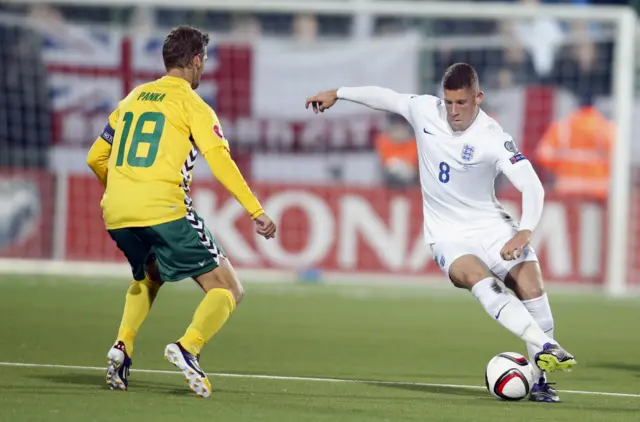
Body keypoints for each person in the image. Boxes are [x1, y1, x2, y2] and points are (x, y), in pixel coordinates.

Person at [305, 63, 576, 403]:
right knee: (479, 279)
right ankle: (546, 345)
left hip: (491, 225)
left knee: (532, 285)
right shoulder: (425, 111)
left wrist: (524, 231)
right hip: (446, 233)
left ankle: (539, 378)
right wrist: (338, 93)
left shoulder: (493, 138)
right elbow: (386, 98)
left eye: (461, 103)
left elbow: (532, 186)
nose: (453, 111)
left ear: (478, 98)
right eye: (448, 102)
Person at [86, 25, 276, 398]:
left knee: (149, 276)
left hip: (117, 211)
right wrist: (256, 210)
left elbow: (96, 157)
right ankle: (188, 348)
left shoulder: (133, 98)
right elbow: (220, 161)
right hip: (164, 209)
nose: (203, 68)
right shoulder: (193, 105)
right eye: (203, 60)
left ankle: (122, 347)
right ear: (194, 61)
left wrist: (124, 187)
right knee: (228, 288)